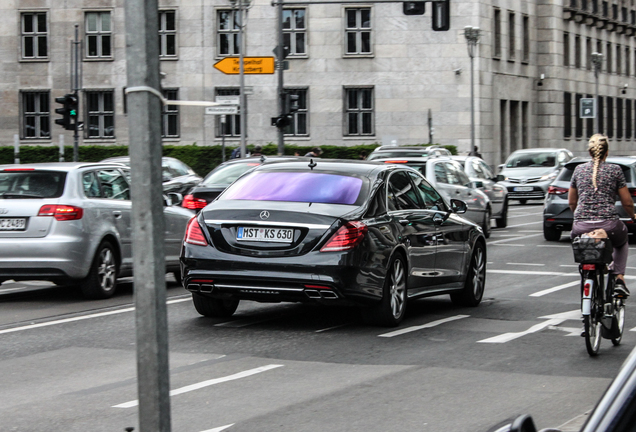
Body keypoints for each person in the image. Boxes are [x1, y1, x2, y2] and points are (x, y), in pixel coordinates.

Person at [569, 134, 635, 299]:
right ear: (606, 152)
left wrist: (579, 217)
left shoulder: (578, 170)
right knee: (622, 240)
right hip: (609, 225)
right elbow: (626, 202)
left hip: (581, 226)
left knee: (579, 241)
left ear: (590, 152)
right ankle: (619, 277)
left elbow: (572, 201)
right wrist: (633, 216)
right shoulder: (615, 170)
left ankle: (588, 274)